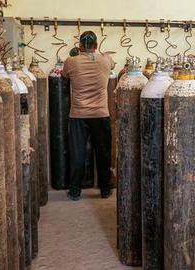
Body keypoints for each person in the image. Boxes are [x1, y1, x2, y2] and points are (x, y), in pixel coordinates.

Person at [62, 31, 115, 201]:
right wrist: (102, 55)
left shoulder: (71, 61)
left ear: (80, 46)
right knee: (103, 152)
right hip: (101, 114)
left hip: (78, 114)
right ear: (96, 45)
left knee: (77, 153)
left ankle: (75, 191)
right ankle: (105, 189)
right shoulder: (106, 60)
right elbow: (112, 65)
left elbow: (64, 75)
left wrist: (75, 56)